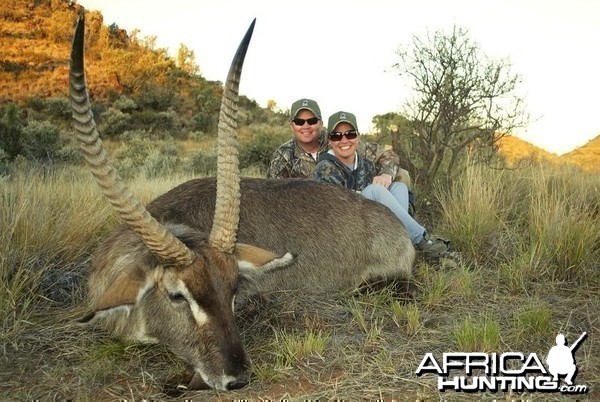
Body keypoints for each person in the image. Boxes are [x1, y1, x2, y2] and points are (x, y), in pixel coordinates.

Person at [314, 110, 454, 264]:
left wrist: (386, 175)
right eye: (336, 136)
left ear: (358, 137)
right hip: (348, 233)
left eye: (350, 134)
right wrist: (370, 194)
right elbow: (337, 213)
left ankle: (403, 245)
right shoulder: (325, 167)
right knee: (375, 190)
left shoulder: (363, 158)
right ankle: (422, 240)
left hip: (373, 223)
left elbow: (391, 157)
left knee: (398, 186)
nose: (344, 140)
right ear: (330, 141)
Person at [266, 98, 409, 188]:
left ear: (321, 123)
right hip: (306, 215)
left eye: (312, 121)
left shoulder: (338, 140)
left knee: (402, 175)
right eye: (299, 122)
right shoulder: (283, 155)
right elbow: (271, 193)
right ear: (292, 126)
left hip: (347, 205)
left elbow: (387, 156)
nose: (305, 126)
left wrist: (386, 175)